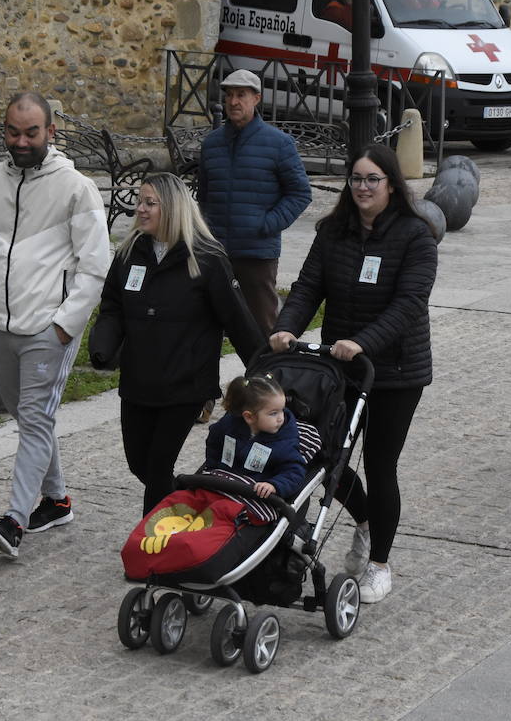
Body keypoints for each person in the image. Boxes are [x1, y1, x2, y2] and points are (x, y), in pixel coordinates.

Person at [270, 144, 438, 604]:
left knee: (381, 464)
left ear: (391, 186)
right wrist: (287, 328)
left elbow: (409, 305)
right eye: (356, 179)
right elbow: (307, 287)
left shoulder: (415, 237)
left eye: (372, 180)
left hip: (396, 371)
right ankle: (365, 521)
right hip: (339, 367)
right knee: (327, 459)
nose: (362, 187)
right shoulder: (334, 233)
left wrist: (364, 341)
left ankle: (380, 564)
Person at [0, 92, 110, 558]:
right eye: (12, 132)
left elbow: (95, 265)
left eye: (31, 133)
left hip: (48, 327)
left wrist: (64, 325)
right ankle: (57, 500)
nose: (20, 141)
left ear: (51, 133)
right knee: (28, 418)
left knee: (36, 417)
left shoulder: (76, 188)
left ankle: (14, 520)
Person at [88, 172, 263, 515]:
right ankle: (190, 506)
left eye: (149, 202)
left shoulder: (208, 258)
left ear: (172, 208)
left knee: (156, 468)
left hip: (186, 384)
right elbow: (112, 307)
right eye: (139, 201)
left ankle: (150, 550)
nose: (140, 209)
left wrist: (265, 373)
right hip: (139, 382)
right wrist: (103, 345)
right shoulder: (129, 254)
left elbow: (238, 321)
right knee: (139, 463)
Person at [198, 68, 313, 335]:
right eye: (229, 95)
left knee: (263, 326)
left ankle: (267, 375)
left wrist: (266, 224)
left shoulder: (279, 144)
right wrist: (205, 232)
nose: (234, 101)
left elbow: (300, 193)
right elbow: (204, 195)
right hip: (215, 252)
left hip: (256, 253)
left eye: (241, 95)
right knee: (208, 324)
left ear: (256, 99)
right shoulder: (212, 144)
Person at [200, 375, 306, 501]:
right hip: (222, 484)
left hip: (253, 495)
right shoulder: (228, 425)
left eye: (282, 410)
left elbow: (294, 471)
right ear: (249, 417)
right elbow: (214, 442)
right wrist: (212, 467)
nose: (281, 418)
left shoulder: (284, 441)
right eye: (274, 413)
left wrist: (274, 485)